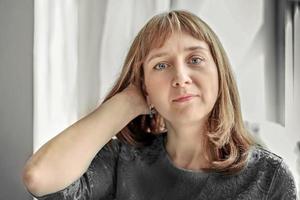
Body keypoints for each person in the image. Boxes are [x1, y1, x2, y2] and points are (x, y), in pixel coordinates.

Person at [22, 10, 297, 199]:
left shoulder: (269, 176)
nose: (180, 77)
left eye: (195, 59)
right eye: (161, 65)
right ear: (144, 85)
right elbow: (39, 178)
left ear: (220, 74)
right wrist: (128, 102)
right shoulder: (122, 162)